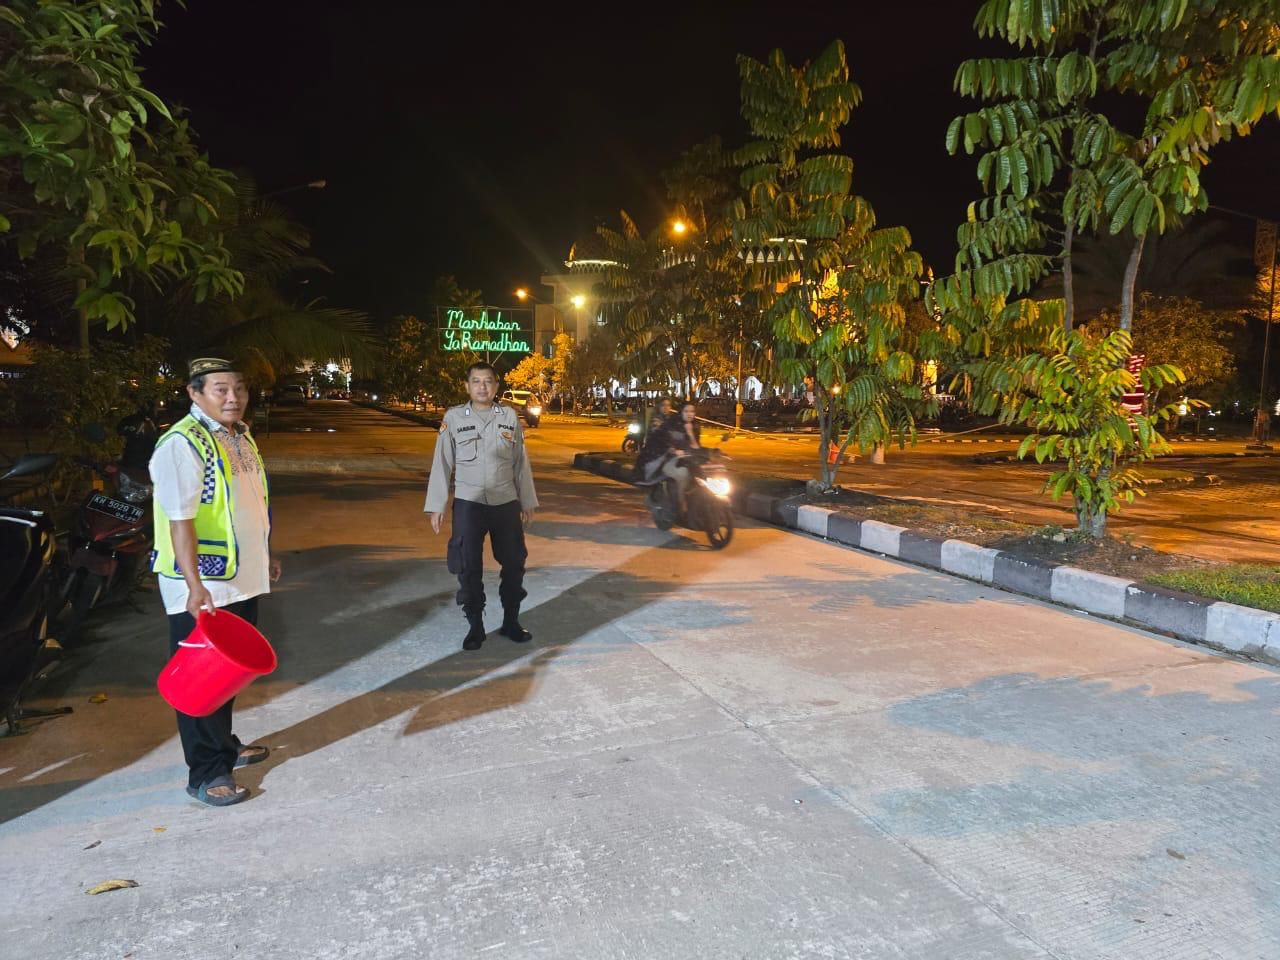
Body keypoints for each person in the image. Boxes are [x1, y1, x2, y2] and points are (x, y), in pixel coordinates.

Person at [148, 357, 281, 807]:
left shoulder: (240, 436)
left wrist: (266, 554)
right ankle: (205, 774)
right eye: (221, 389)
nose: (233, 397)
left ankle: (225, 746)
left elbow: (249, 503)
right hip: (203, 583)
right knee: (201, 681)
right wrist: (193, 585)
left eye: (239, 388)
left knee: (229, 675)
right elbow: (179, 521)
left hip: (239, 576)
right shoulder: (181, 444)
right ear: (194, 392)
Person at [425, 362, 539, 651]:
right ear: (467, 386)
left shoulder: (509, 417)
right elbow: (442, 463)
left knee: (514, 563)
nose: (482, 387)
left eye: (488, 381)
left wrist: (527, 500)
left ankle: (511, 621)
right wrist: (436, 505)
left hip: (505, 502)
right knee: (468, 567)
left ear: (496, 386)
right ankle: (475, 626)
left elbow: (520, 462)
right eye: (476, 381)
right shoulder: (454, 418)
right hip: (469, 504)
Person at [636, 400, 702, 513]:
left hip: (683, 455)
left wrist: (691, 437)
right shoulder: (664, 421)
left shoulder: (692, 425)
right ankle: (679, 503)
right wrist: (672, 449)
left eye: (692, 411)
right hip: (662, 453)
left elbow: (695, 446)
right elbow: (661, 438)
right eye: (686, 411)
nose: (689, 414)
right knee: (680, 474)